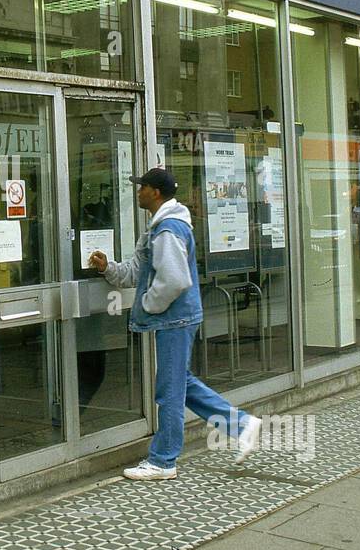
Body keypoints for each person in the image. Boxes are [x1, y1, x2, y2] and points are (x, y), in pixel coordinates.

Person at [88, 167, 262, 479]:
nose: (138, 192)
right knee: (181, 383)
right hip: (176, 317)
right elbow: (135, 271)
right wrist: (108, 269)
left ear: (155, 193)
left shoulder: (167, 229)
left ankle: (163, 461)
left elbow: (173, 280)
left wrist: (147, 304)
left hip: (175, 318)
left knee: (169, 390)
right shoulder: (158, 227)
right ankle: (242, 425)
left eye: (142, 187)